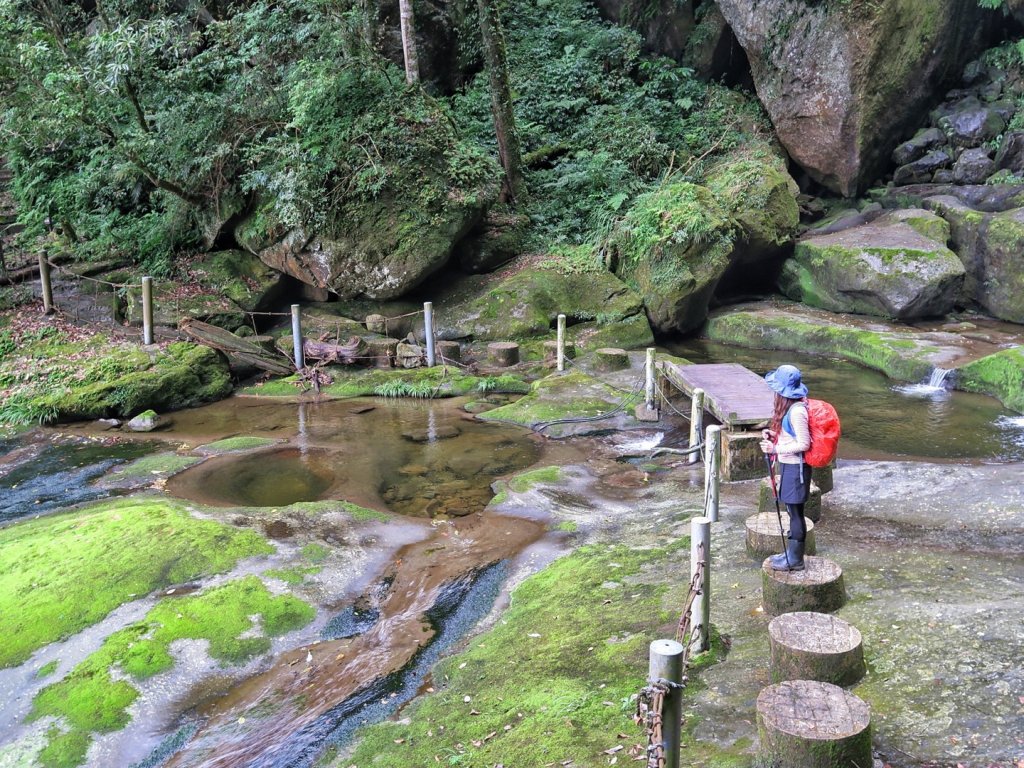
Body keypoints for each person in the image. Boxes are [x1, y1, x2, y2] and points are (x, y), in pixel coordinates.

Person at [759, 364, 812, 571]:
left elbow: (804, 443)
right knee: (791, 509)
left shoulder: (797, 411)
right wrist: (775, 435)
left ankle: (796, 559)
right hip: (790, 466)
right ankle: (791, 552)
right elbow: (792, 437)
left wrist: (775, 448)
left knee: (796, 512)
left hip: (797, 469)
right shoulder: (791, 408)